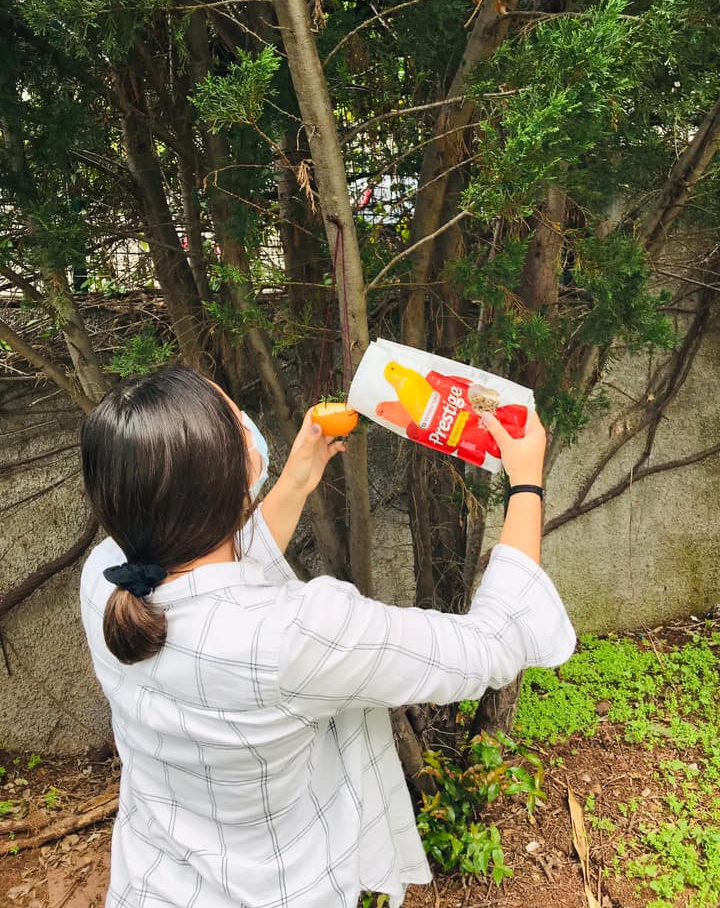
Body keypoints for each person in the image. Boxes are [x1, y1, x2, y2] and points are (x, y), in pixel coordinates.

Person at [79, 366, 575, 908]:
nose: (249, 426)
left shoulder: (105, 580)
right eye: (238, 425)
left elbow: (214, 574)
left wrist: (295, 478)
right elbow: (495, 643)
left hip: (151, 885)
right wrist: (527, 482)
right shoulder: (299, 635)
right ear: (223, 483)